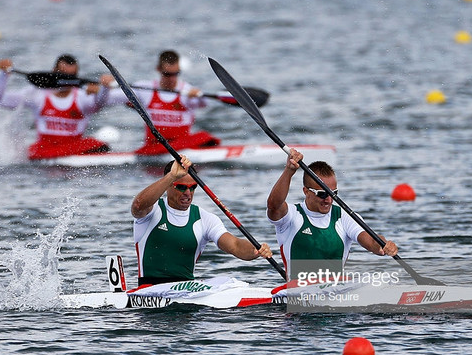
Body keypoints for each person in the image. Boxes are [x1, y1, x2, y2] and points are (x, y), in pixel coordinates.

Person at [131, 156, 272, 285]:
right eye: (181, 187)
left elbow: (234, 245)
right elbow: (138, 205)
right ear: (167, 185)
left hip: (185, 290)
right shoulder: (152, 211)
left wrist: (255, 250)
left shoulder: (205, 218)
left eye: (192, 188)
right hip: (149, 289)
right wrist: (172, 175)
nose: (187, 193)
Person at [266, 149, 398, 277]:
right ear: (306, 191)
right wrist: (289, 171)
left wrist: (383, 244)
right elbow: (273, 206)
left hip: (335, 293)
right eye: (323, 194)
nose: (329, 200)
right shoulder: (292, 216)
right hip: (298, 294)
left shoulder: (345, 217)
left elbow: (370, 241)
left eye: (333, 194)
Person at [0, 54, 115, 160]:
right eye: (63, 75)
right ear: (53, 72)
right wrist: (4, 75)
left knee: (99, 144)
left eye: (71, 76)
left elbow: (100, 103)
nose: (66, 80)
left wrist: (105, 88)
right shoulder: (36, 94)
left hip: (73, 148)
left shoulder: (83, 96)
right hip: (44, 151)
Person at [106, 50, 221, 155]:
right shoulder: (145, 89)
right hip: (153, 148)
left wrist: (200, 96)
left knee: (204, 136)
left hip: (181, 149)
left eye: (176, 74)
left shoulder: (187, 91)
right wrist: (105, 87)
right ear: (158, 70)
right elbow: (109, 99)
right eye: (167, 74)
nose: (172, 78)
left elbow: (206, 103)